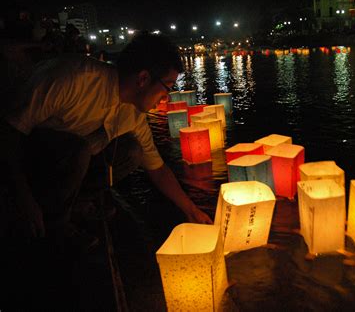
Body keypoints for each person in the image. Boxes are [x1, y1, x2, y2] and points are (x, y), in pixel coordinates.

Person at [0, 32, 212, 245]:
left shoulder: (133, 113)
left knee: (131, 151)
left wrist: (191, 210)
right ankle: (56, 226)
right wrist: (23, 197)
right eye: (167, 87)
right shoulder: (72, 79)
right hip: (29, 161)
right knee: (79, 149)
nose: (167, 97)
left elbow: (156, 168)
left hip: (72, 163)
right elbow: (9, 131)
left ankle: (79, 203)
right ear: (143, 78)